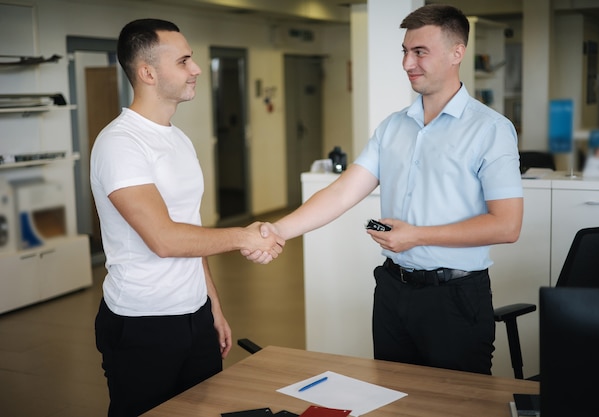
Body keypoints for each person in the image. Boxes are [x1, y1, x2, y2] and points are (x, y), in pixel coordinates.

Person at [245, 4, 523, 375]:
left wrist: (417, 236)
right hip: (393, 290)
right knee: (393, 398)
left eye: (420, 52)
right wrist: (279, 231)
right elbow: (343, 191)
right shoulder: (394, 127)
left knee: (457, 407)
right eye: (405, 52)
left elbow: (506, 225)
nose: (408, 63)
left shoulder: (491, 129)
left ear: (458, 53)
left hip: (454, 298)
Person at [90, 18, 284, 417]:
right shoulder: (119, 144)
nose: (195, 69)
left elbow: (189, 230)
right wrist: (245, 237)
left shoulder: (177, 138)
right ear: (147, 72)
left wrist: (211, 304)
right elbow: (165, 240)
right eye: (183, 61)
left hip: (193, 314)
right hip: (142, 322)